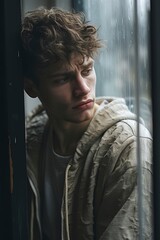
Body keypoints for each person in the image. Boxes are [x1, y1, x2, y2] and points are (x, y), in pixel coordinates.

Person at [20, 7, 153, 240]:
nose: (83, 89)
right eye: (63, 78)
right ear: (32, 87)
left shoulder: (128, 147)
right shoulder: (29, 140)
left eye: (87, 70)